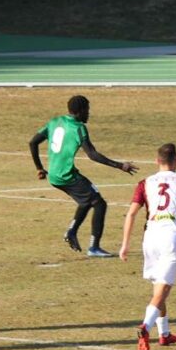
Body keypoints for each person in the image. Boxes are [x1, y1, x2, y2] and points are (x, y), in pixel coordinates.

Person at [118, 143, 176, 350]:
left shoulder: (145, 182)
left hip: (150, 237)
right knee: (164, 288)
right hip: (171, 237)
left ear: (157, 161)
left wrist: (124, 245)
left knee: (158, 287)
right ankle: (145, 326)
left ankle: (164, 334)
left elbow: (131, 214)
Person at [28, 95, 138, 257]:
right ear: (80, 111)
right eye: (87, 110)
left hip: (55, 176)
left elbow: (33, 142)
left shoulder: (55, 121)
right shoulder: (78, 127)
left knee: (86, 201)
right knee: (99, 203)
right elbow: (92, 154)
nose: (88, 113)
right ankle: (94, 247)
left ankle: (71, 231)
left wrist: (39, 168)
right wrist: (120, 165)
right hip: (67, 176)